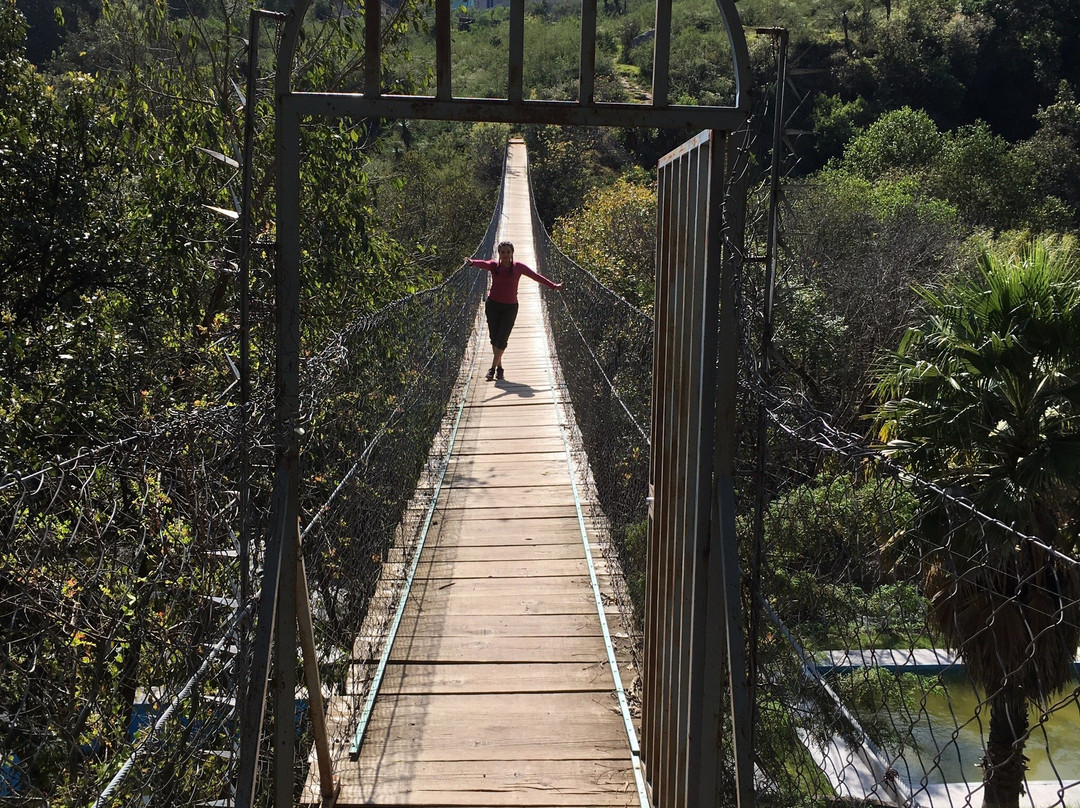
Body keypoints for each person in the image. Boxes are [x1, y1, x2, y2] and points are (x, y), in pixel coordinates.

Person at [465, 241, 564, 381]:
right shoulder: (494, 266)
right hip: (493, 305)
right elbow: (483, 264)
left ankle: (492, 369)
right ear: (499, 254)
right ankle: (500, 368)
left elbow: (535, 276)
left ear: (512, 253)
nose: (505, 255)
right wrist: (472, 262)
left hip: (510, 308)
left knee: (502, 338)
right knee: (494, 338)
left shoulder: (518, 267)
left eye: (508, 252)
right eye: (502, 252)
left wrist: (553, 286)